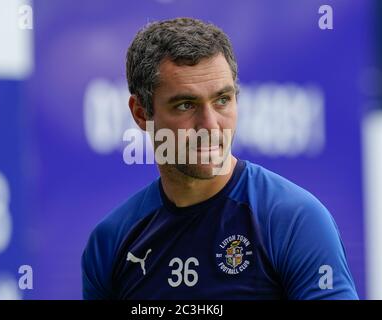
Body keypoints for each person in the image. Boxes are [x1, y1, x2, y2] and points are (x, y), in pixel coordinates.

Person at [81, 17, 358, 300]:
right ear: (141, 114)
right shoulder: (111, 242)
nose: (211, 125)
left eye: (222, 100)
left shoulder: (295, 221)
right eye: (186, 105)